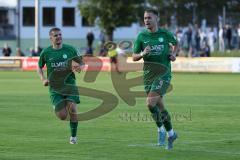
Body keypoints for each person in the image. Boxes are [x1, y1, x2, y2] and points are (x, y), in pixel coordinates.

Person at [132, 9, 178, 150]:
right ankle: (171, 133)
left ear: (156, 18)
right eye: (145, 18)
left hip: (163, 75)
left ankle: (160, 130)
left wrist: (174, 54)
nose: (146, 20)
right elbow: (134, 57)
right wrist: (142, 53)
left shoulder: (164, 34)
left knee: (150, 103)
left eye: (149, 18)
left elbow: (176, 43)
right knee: (159, 107)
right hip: (148, 76)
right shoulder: (141, 36)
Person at [37, 27, 84, 144]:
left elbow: (81, 62)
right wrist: (43, 79)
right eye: (56, 35)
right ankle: (57, 107)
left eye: (60, 35)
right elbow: (39, 67)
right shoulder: (46, 52)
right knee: (62, 116)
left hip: (69, 85)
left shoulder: (70, 49)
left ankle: (73, 138)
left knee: (73, 109)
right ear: (51, 38)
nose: (58, 37)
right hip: (55, 88)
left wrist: (79, 67)